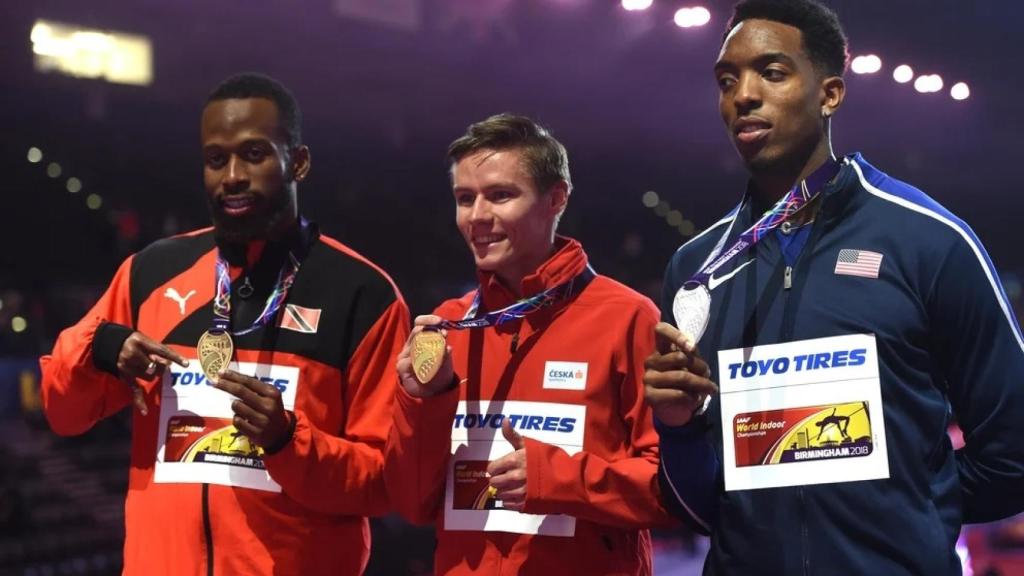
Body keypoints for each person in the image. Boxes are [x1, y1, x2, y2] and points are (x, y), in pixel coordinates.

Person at [644, 1, 1024, 574]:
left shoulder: (929, 240)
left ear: (830, 94)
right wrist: (676, 430)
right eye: (727, 80)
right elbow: (702, 504)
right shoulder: (698, 268)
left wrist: (905, 513)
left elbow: (1013, 452)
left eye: (771, 73)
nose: (743, 95)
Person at [39, 73, 409, 575]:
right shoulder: (151, 272)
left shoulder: (363, 295)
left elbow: (388, 480)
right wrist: (100, 348)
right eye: (216, 160)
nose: (232, 176)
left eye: (254, 154)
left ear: (297, 162)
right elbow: (64, 411)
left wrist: (287, 440)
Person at [384, 113, 674, 575]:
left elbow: (671, 489)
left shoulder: (628, 318)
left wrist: (554, 478)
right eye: (464, 199)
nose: (477, 217)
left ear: (555, 198)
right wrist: (424, 401)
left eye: (500, 195)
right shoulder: (448, 325)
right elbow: (410, 502)